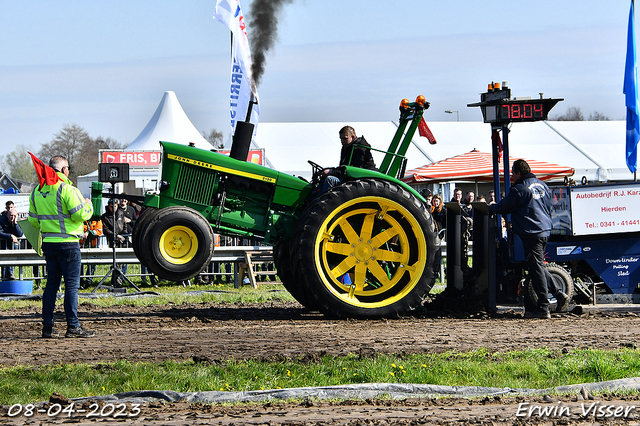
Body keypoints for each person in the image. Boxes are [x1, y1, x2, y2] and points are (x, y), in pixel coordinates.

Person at [489, 159, 569, 319]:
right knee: (537, 265)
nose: (512, 176)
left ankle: (544, 307)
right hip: (545, 229)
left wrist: (491, 207)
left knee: (536, 267)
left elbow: (504, 207)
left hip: (531, 231)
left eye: (513, 173)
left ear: (519, 173)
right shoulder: (542, 185)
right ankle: (558, 294)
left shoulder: (519, 189)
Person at [29, 155, 95, 338]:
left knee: (51, 286)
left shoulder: (37, 191)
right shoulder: (67, 189)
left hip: (49, 245)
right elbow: (79, 214)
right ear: (64, 169)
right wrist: (89, 206)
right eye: (68, 169)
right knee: (71, 287)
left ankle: (47, 328)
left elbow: (33, 221)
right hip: (68, 245)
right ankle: (73, 326)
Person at [316, 126, 377, 192]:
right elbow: (342, 167)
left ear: (353, 137)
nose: (342, 141)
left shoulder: (359, 149)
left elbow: (353, 170)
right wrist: (324, 170)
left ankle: (326, 201)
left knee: (330, 179)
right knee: (323, 178)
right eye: (341, 139)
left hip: (360, 179)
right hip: (349, 177)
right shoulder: (346, 148)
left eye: (345, 139)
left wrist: (331, 172)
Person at [0, 207, 23, 280]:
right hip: (3, 244)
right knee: (4, 262)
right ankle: (4, 277)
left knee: (12, 259)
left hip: (12, 245)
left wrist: (15, 224)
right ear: (7, 215)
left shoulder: (17, 221)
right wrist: (10, 235)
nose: (13, 217)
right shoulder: (2, 220)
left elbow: (20, 234)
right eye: (11, 216)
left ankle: (10, 274)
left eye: (14, 216)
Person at [80, 218, 103, 288]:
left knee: (92, 264)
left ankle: (89, 281)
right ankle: (80, 281)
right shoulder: (80, 219)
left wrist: (88, 233)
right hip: (81, 245)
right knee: (79, 264)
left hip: (93, 245)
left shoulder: (97, 220)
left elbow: (99, 232)